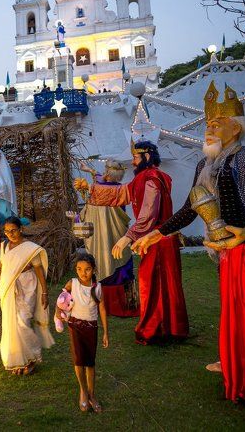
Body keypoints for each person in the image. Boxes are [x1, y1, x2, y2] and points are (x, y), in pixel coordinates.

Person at [132, 81, 245, 410]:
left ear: (236, 126)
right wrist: (156, 233)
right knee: (236, 318)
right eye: (207, 123)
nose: (209, 129)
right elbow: (190, 209)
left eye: (216, 123)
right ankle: (243, 376)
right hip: (226, 256)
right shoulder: (205, 166)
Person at [112, 141, 189, 344]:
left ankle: (155, 329)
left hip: (157, 240)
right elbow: (120, 194)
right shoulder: (147, 178)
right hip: (162, 240)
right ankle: (172, 328)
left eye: (136, 157)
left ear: (147, 157)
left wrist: (127, 237)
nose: (132, 161)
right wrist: (91, 188)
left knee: (152, 285)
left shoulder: (151, 179)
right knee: (166, 285)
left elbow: (148, 214)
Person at [0, 216, 54, 375]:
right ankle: (18, 360)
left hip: (27, 286)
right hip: (7, 288)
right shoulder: (4, 246)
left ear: (21, 229)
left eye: (13, 230)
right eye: (6, 231)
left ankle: (32, 357)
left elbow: (39, 270)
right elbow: (1, 267)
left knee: (22, 322)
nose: (10, 234)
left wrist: (45, 292)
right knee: (10, 324)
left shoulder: (29, 248)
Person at [79, 159, 138, 317]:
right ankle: (125, 304)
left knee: (104, 259)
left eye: (105, 170)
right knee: (119, 261)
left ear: (108, 173)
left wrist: (87, 186)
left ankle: (100, 302)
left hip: (103, 234)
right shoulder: (120, 189)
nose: (103, 172)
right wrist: (89, 171)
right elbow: (101, 183)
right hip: (118, 233)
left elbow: (100, 189)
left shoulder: (110, 190)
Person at [57, 253, 109, 413]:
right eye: (79, 269)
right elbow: (61, 299)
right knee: (79, 361)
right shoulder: (72, 283)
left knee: (90, 362)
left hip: (91, 327)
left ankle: (92, 394)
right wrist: (57, 311)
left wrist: (106, 332)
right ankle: (83, 391)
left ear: (93, 270)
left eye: (87, 269)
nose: (83, 273)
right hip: (75, 327)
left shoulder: (98, 287)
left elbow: (102, 308)